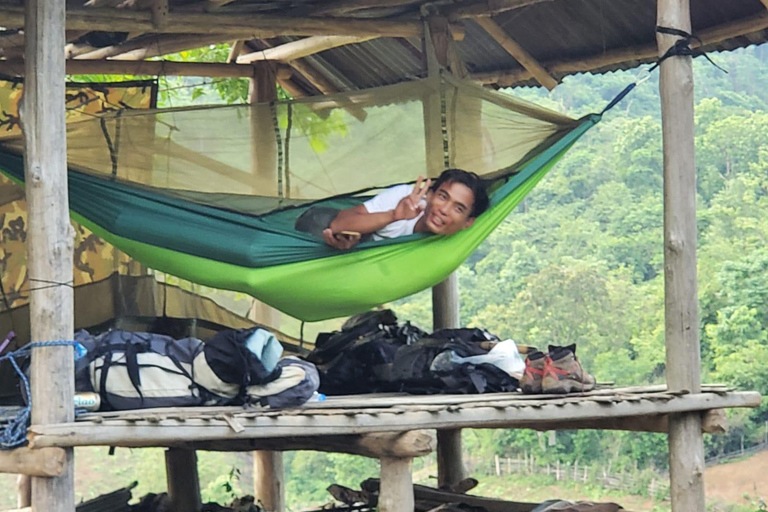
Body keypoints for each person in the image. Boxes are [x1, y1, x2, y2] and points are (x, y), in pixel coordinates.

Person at [323, 168, 489, 250]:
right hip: (317, 226)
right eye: (443, 197)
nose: (444, 210)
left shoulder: (453, 248)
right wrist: (394, 215)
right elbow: (338, 225)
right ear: (429, 195)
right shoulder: (407, 199)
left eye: (458, 208)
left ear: (468, 222)